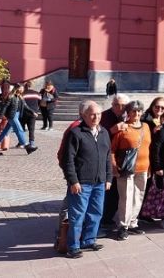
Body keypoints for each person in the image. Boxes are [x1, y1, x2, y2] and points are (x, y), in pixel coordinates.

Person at [62, 100, 111, 259]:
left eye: (98, 114)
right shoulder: (76, 133)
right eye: (92, 114)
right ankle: (73, 246)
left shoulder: (103, 132)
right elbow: (67, 160)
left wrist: (108, 178)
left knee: (96, 213)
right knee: (77, 216)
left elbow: (107, 158)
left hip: (99, 182)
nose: (96, 117)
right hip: (81, 183)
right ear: (83, 115)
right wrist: (73, 181)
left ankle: (89, 240)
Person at [110, 100, 151, 240]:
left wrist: (149, 166)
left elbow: (148, 148)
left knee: (138, 195)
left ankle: (133, 223)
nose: (137, 113)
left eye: (139, 111)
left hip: (143, 167)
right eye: (134, 111)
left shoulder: (146, 127)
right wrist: (114, 166)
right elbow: (112, 149)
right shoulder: (123, 128)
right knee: (126, 197)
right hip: (126, 168)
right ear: (129, 112)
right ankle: (123, 225)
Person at [0, 81, 35, 155]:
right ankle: (27, 146)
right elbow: (5, 106)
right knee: (19, 130)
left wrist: (32, 112)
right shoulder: (11, 96)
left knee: (4, 133)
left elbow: (25, 106)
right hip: (12, 116)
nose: (22, 89)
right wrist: (1, 116)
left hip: (16, 115)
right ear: (17, 89)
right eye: (21, 88)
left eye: (23, 88)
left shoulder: (19, 96)